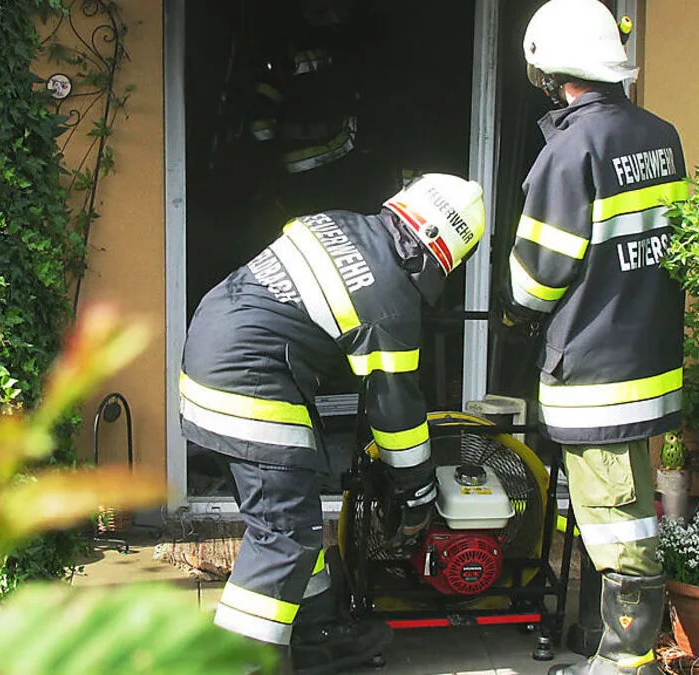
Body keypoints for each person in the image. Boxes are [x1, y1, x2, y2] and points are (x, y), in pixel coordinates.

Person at [180, 174, 485, 674]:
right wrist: (417, 489)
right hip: (250, 381)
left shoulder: (340, 223)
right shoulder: (390, 296)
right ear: (439, 252)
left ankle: (315, 626)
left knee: (292, 519)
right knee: (284, 536)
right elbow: (395, 409)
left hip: (210, 350)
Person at [500, 1, 688, 673]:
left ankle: (625, 662)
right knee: (627, 510)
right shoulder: (661, 135)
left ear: (552, 73)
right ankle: (611, 648)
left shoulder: (570, 150)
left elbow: (536, 279)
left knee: (614, 524)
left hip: (595, 377)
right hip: (648, 363)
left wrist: (514, 315)